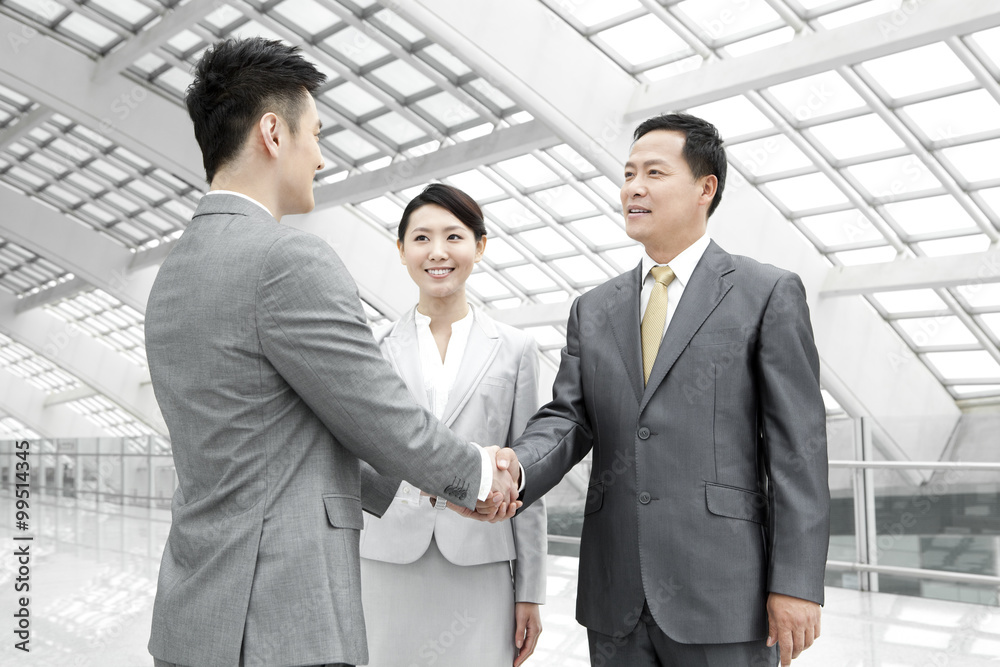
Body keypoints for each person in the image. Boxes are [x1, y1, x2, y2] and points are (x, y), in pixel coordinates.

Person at [144, 38, 520, 667]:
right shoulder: (286, 260)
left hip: (194, 615)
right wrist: (478, 475)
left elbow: (286, 425)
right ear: (272, 132)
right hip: (280, 621)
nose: (319, 156)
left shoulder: (174, 272)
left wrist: (422, 481)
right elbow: (376, 411)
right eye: (315, 133)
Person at [511, 113, 830, 667]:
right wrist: (512, 471)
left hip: (725, 596)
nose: (633, 187)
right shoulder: (593, 309)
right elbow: (569, 419)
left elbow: (798, 449)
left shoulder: (766, 293)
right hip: (616, 594)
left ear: (706, 188)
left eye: (654, 173)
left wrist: (797, 583)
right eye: (629, 173)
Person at [358, 184, 547, 667]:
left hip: (480, 562)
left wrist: (530, 591)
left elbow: (529, 476)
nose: (437, 252)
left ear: (479, 247)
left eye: (454, 237)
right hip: (386, 559)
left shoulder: (515, 348)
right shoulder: (371, 349)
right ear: (401, 251)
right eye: (421, 238)